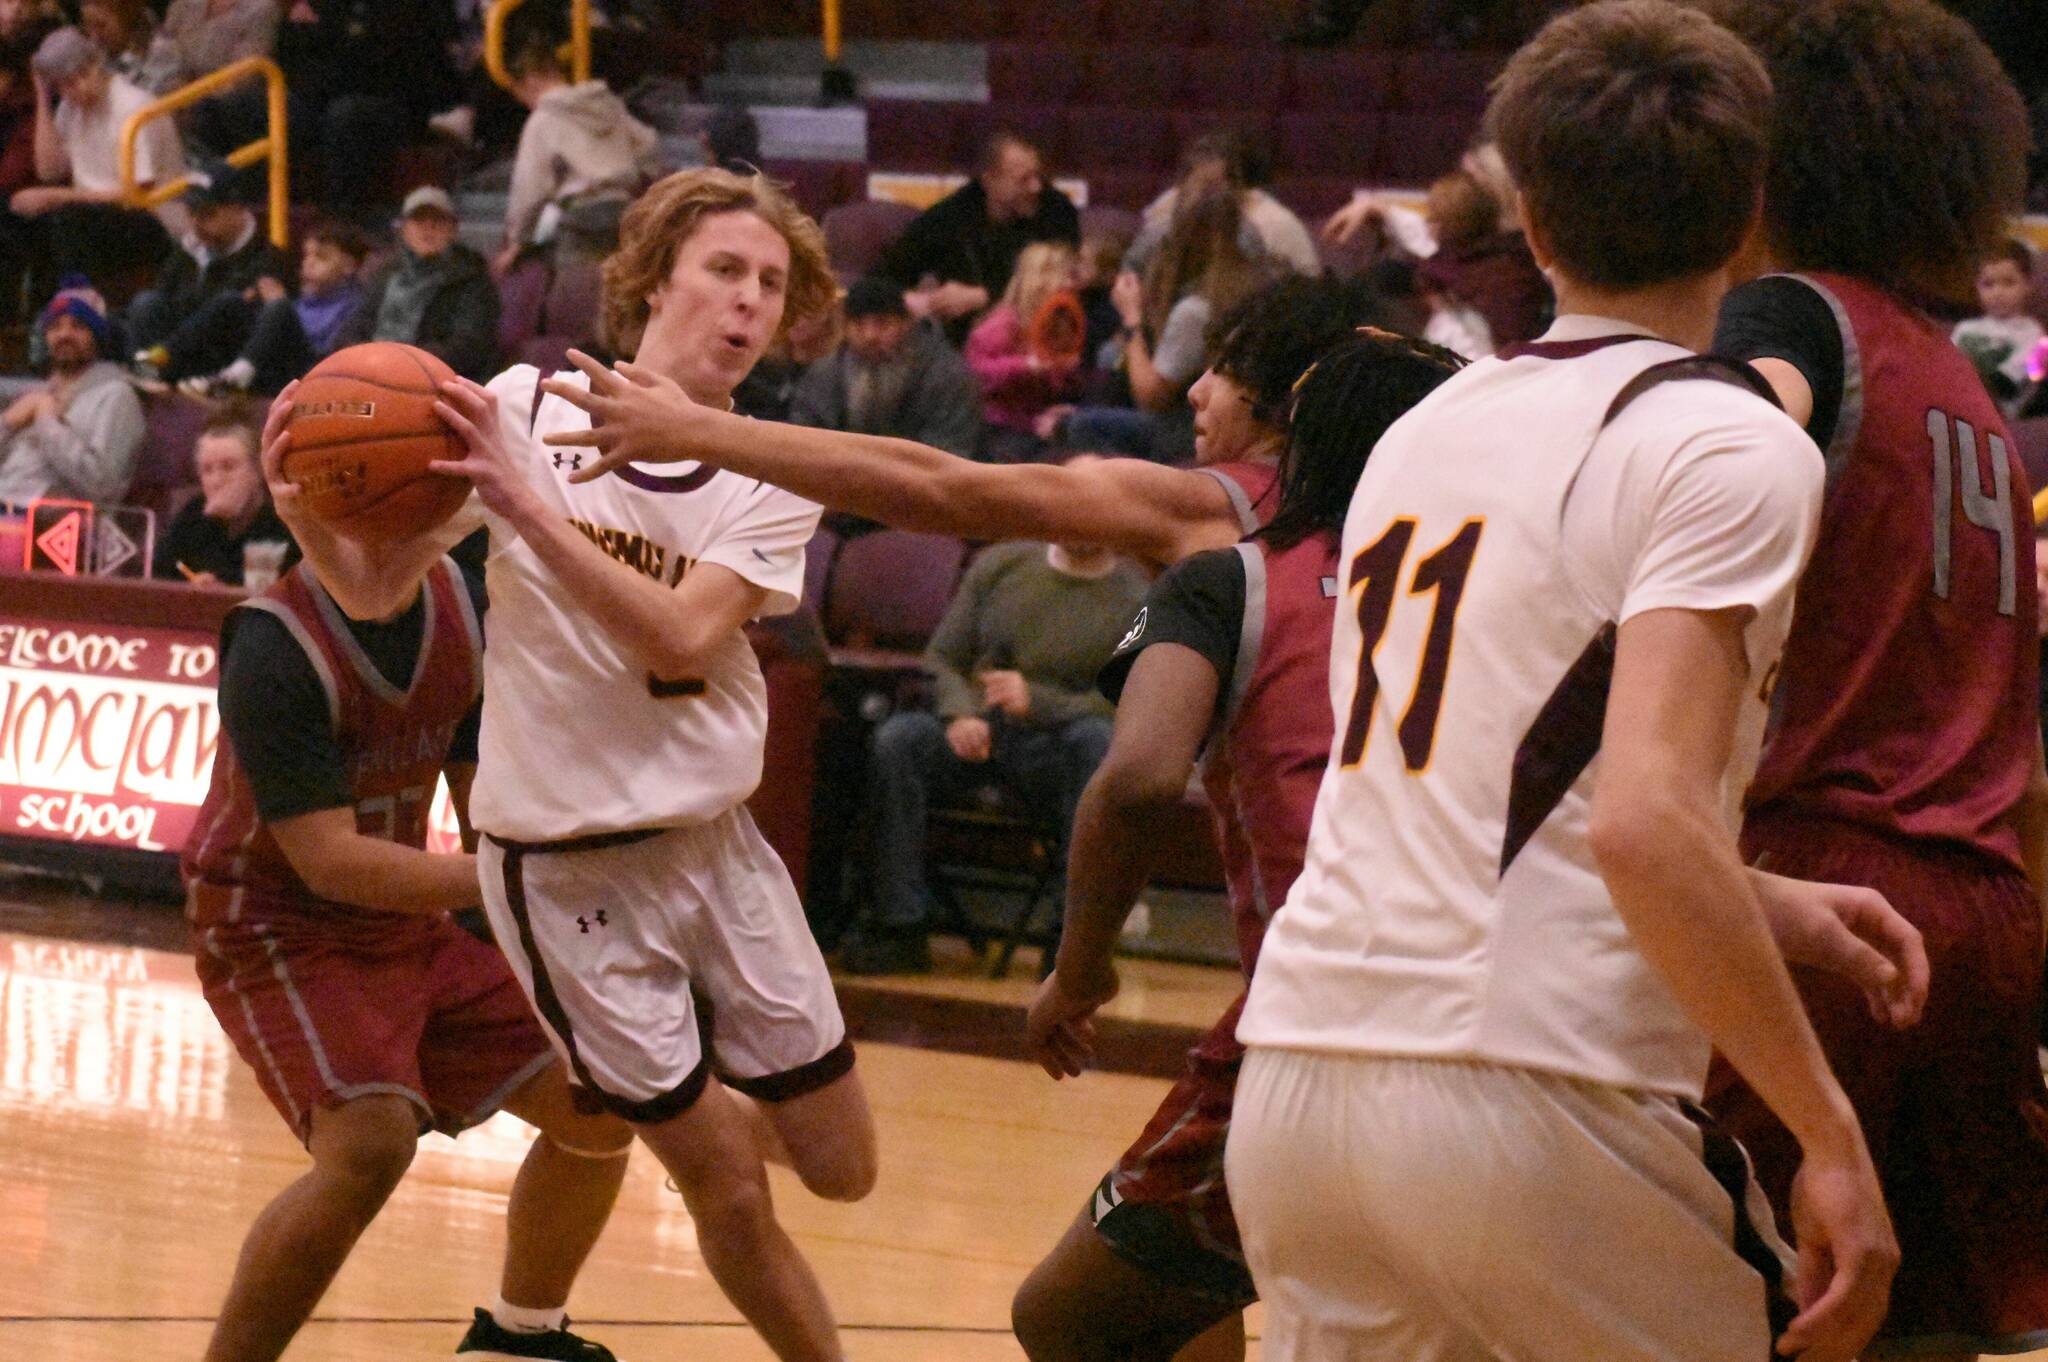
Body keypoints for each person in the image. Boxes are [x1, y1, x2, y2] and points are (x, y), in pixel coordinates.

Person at [1016, 331, 1932, 1362]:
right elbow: (1613, 824)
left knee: (1076, 1316)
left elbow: (1518, 821)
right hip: (1507, 1057)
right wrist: (1824, 1127)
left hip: (1299, 1052)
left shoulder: (1389, 506)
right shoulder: (1644, 477)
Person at [1230, 5, 1898, 1359]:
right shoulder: (1726, 442)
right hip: (1532, 1088)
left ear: (1528, 221)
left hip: (1301, 1077)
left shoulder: (1423, 429)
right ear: (1750, 217)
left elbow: (1469, 788)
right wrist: (1828, 1131)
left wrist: (1765, 905)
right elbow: (1646, 819)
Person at [278, 167, 878, 1362]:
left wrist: (530, 513)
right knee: (730, 1192)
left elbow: (680, 634)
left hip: (717, 852)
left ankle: (543, 1278)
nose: (749, 301)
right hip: (564, 875)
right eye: (725, 269)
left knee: (842, 1169)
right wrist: (306, 495)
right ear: (654, 277)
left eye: (771, 284)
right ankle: (606, 1190)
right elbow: (377, 584)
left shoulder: (769, 464)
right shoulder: (517, 411)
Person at [1700, 1, 2048, 1356]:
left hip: (1823, 886)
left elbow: (1712, 437)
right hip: (1982, 907)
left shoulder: (1794, 316)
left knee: (1713, 1315)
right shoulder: (1963, 390)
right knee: (1911, 1334)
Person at [184, 431, 632, 1362]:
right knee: (369, 1147)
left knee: (610, 1093)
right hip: (276, 922)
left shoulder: (461, 605)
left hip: (403, 919)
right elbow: (330, 863)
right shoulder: (273, 643)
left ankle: (521, 1337)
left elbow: (481, 798)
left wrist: (549, 925)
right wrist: (517, 883)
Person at [543, 273, 1386, 574]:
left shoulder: (1214, 504)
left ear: (1289, 392)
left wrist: (696, 431)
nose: (1195, 392)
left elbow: (945, 489)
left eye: (1227, 371)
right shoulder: (1394, 497)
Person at [848, 524, 1147, 974]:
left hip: (1054, 748)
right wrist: (959, 715)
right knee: (900, 739)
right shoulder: (1002, 564)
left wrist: (1040, 701)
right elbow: (944, 658)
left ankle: (1069, 941)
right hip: (979, 731)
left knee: (1095, 743)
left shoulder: (1139, 596)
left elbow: (1129, 698)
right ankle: (900, 924)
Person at [1065, 189, 1268, 463]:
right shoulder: (1249, 285)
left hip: (1187, 429)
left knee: (1082, 425)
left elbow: (1151, 397)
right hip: (1238, 422)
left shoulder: (1195, 310)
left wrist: (1131, 319)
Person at [16, 27, 185, 298]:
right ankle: (42, 321)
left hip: (154, 220)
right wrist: (42, 98)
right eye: (67, 84)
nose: (79, 88)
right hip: (95, 214)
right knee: (24, 219)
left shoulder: (135, 107)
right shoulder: (70, 108)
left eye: (84, 75)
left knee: (67, 218)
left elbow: (137, 194)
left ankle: (80, 308)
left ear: (97, 63)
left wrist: (60, 196)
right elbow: (49, 171)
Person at [876, 130, 1079, 338]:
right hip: (962, 343)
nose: (1036, 187)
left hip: (1039, 335)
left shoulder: (1057, 211)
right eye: (1023, 179)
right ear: (990, 180)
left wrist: (982, 296)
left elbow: (1061, 280)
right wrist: (917, 302)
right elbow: (883, 279)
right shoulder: (951, 215)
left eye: (1038, 175)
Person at [497, 36, 661, 277]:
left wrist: (517, 239)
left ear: (530, 81)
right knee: (623, 294)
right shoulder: (608, 105)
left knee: (577, 300)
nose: (523, 102)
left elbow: (530, 187)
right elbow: (649, 144)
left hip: (579, 216)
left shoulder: (543, 119)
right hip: (623, 208)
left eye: (520, 93)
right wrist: (639, 179)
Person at [129, 160, 292, 389]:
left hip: (223, 359)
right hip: (179, 353)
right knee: (145, 303)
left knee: (225, 303)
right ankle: (148, 371)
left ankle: (151, 365)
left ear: (236, 208)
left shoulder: (267, 259)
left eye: (207, 214)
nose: (196, 224)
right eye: (191, 213)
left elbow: (227, 317)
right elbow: (163, 296)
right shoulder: (188, 250)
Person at [788, 274, 982, 460]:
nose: (869, 335)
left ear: (906, 325)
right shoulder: (825, 374)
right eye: (858, 325)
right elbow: (804, 440)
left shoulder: (946, 375)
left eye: (882, 324)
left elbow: (950, 450)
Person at [182, 218, 370, 397]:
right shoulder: (304, 299)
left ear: (348, 265)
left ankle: (234, 379)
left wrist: (280, 310)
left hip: (311, 373)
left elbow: (327, 352)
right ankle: (164, 362)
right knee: (232, 301)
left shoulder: (356, 305)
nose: (308, 263)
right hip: (277, 367)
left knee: (278, 307)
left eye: (321, 257)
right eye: (307, 255)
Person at [335, 187, 500, 381]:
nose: (428, 227)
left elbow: (468, 347)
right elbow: (356, 326)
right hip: (372, 372)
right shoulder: (385, 274)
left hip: (432, 381)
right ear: (403, 229)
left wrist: (402, 364)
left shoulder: (473, 280)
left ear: (453, 230)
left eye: (438, 220)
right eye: (419, 219)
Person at [0, 282, 142, 507]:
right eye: (55, 327)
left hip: (58, 527)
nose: (65, 334)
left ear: (97, 337)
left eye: (78, 326)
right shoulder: (36, 395)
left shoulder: (117, 396)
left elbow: (102, 486)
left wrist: (46, 421)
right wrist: (8, 422)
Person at [1125, 129, 1318, 280]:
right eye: (1197, 185)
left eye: (1213, 186)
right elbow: (1133, 272)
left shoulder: (1275, 226)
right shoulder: (1168, 209)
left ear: (1240, 187)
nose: (1203, 196)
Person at [964, 241, 1084, 463]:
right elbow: (976, 374)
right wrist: (1027, 365)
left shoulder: (1059, 325)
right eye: (1064, 276)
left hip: (1036, 425)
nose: (1071, 284)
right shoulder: (1003, 324)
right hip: (998, 427)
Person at [152, 405, 296, 584]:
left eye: (228, 467)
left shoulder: (281, 521)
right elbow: (159, 578)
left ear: (257, 469)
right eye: (207, 470)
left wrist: (222, 586)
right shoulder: (193, 516)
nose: (217, 480)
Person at [1951, 238, 2043, 412]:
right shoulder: (1965, 329)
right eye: (1988, 284)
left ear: (2027, 284)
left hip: (1998, 410)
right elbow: (1944, 367)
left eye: (2009, 282)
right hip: (1956, 403)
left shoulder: (2032, 333)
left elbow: (2008, 383)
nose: (1998, 293)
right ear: (1976, 287)